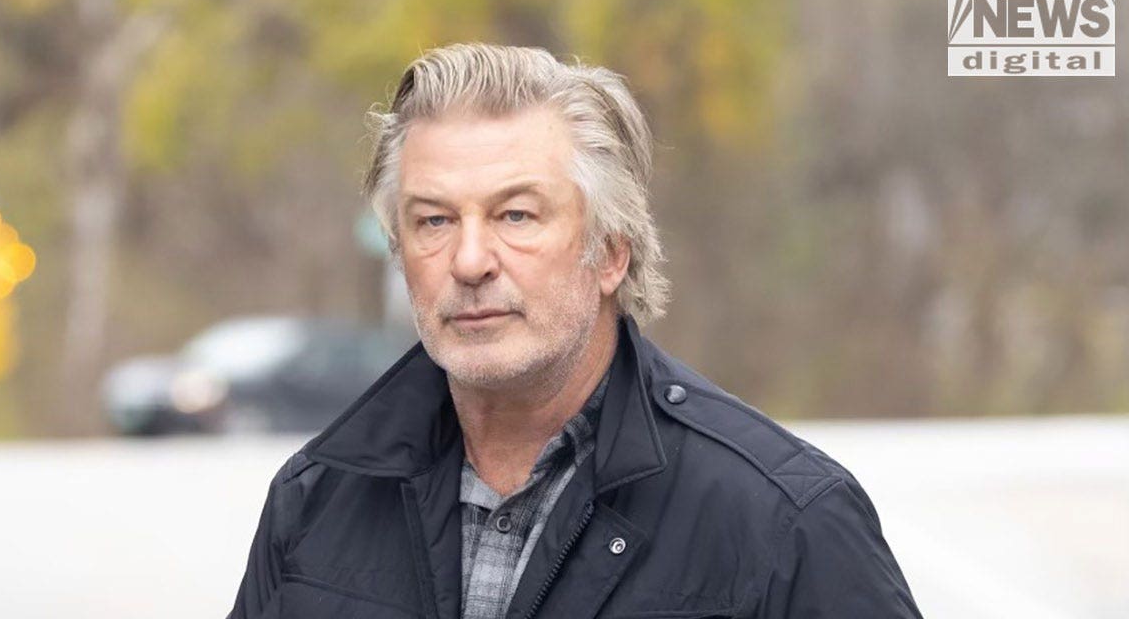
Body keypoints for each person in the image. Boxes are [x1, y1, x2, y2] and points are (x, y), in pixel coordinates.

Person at [226, 43, 923, 618]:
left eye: (516, 215)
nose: (469, 261)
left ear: (612, 252)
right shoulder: (316, 500)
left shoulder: (785, 523)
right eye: (433, 220)